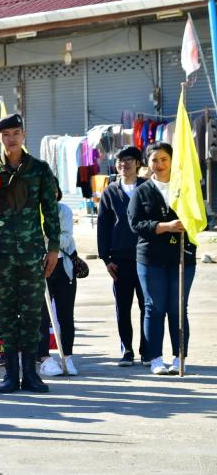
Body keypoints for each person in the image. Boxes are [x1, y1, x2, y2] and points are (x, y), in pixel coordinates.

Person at [0, 114, 60, 394]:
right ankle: (10, 374)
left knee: (30, 315)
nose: (11, 139)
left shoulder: (39, 169)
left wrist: (53, 248)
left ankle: (30, 374)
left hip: (31, 253)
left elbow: (50, 211)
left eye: (16, 133)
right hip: (0, 254)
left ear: (23, 135)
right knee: (6, 315)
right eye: (6, 134)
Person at [128, 142, 201, 375]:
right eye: (154, 160)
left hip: (182, 257)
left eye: (164, 159)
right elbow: (135, 223)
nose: (159, 164)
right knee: (154, 307)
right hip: (151, 259)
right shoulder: (142, 191)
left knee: (178, 307)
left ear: (172, 161)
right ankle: (155, 358)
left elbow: (199, 217)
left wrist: (189, 223)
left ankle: (180, 357)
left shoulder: (185, 188)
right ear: (147, 163)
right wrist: (164, 226)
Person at [97, 145, 148, 367]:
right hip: (120, 260)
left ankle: (148, 351)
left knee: (148, 307)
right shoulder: (110, 191)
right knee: (123, 307)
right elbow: (103, 226)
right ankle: (126, 350)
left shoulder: (148, 188)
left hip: (146, 258)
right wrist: (106, 259)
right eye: (120, 160)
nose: (123, 164)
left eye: (128, 159)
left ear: (138, 163)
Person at [38, 177, 78, 376]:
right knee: (41, 317)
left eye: (53, 189)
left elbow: (65, 238)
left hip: (63, 267)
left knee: (66, 315)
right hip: (38, 267)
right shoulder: (32, 213)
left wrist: (45, 238)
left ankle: (67, 356)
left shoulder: (64, 211)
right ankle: (44, 358)